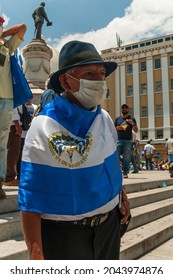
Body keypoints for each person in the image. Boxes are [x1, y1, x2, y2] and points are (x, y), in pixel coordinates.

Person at [19, 40, 131, 260]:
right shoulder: (43, 127)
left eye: (101, 73)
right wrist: (36, 252)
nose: (99, 81)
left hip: (109, 228)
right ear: (65, 81)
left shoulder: (104, 118)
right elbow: (31, 195)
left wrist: (121, 198)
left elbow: (110, 167)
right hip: (65, 238)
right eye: (89, 74)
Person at [0, 17, 26, 199]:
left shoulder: (6, 47)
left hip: (6, 99)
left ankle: (0, 182)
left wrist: (2, 34)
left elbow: (22, 28)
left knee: (2, 145)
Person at [114, 104, 138, 178]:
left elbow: (136, 130)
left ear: (128, 109)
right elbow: (113, 128)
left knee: (127, 157)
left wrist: (132, 124)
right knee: (115, 156)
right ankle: (116, 172)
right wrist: (118, 128)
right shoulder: (118, 119)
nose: (124, 109)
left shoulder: (132, 119)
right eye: (123, 108)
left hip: (128, 141)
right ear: (121, 109)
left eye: (126, 108)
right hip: (119, 140)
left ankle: (125, 172)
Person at [16, 100, 37, 181]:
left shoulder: (35, 107)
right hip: (22, 135)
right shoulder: (20, 107)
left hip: (31, 135)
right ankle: (19, 175)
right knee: (20, 157)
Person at [4, 107, 22, 186]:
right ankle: (9, 178)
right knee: (12, 152)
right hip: (11, 125)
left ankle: (8, 177)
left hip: (8, 124)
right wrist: (17, 125)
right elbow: (12, 107)